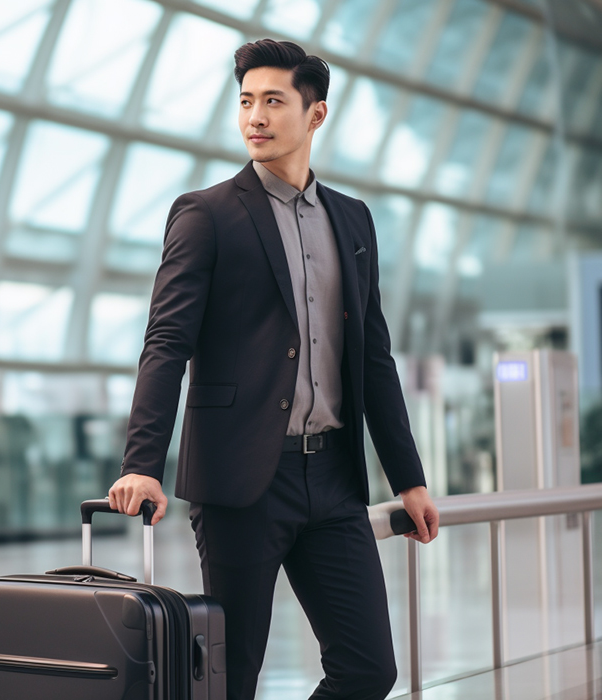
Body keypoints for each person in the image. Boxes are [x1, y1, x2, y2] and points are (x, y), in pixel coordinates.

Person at [108, 39, 439, 700]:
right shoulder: (206, 215)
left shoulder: (352, 220)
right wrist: (140, 461)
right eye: (246, 101)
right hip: (242, 484)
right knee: (232, 680)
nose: (255, 116)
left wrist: (410, 479)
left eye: (273, 101)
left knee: (370, 669)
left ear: (315, 115)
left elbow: (374, 356)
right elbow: (166, 343)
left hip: (335, 483)